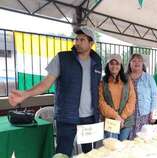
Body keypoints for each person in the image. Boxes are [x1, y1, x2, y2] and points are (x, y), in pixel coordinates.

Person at [8, 26, 102, 156]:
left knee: (90, 154)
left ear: (91, 43)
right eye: (77, 39)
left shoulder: (97, 62)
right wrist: (25, 94)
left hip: (89, 118)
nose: (78, 42)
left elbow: (97, 88)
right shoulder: (62, 58)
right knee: (62, 153)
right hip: (67, 117)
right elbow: (45, 84)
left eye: (82, 40)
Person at [99, 54, 136, 141]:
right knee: (112, 149)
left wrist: (122, 117)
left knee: (123, 150)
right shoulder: (103, 82)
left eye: (117, 64)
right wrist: (116, 116)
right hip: (111, 121)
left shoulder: (127, 80)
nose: (114, 66)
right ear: (108, 65)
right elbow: (101, 102)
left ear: (121, 66)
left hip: (126, 121)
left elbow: (132, 99)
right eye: (112, 63)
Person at [127, 54, 157, 139]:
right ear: (130, 64)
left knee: (143, 138)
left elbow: (155, 96)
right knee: (128, 139)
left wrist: (153, 112)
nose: (136, 63)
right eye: (134, 61)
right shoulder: (125, 77)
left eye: (139, 61)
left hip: (144, 114)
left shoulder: (149, 78)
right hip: (128, 115)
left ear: (142, 64)